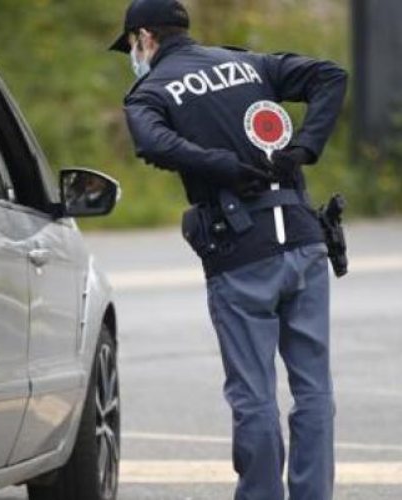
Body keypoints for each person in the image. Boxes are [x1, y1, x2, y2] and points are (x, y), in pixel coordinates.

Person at [110, 1, 348, 499]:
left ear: (145, 38)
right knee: (314, 390)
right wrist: (304, 149)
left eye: (131, 45)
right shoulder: (249, 63)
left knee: (253, 395)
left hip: (240, 253)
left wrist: (219, 166)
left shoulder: (150, 92)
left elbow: (153, 143)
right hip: (305, 240)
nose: (133, 54)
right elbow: (331, 75)